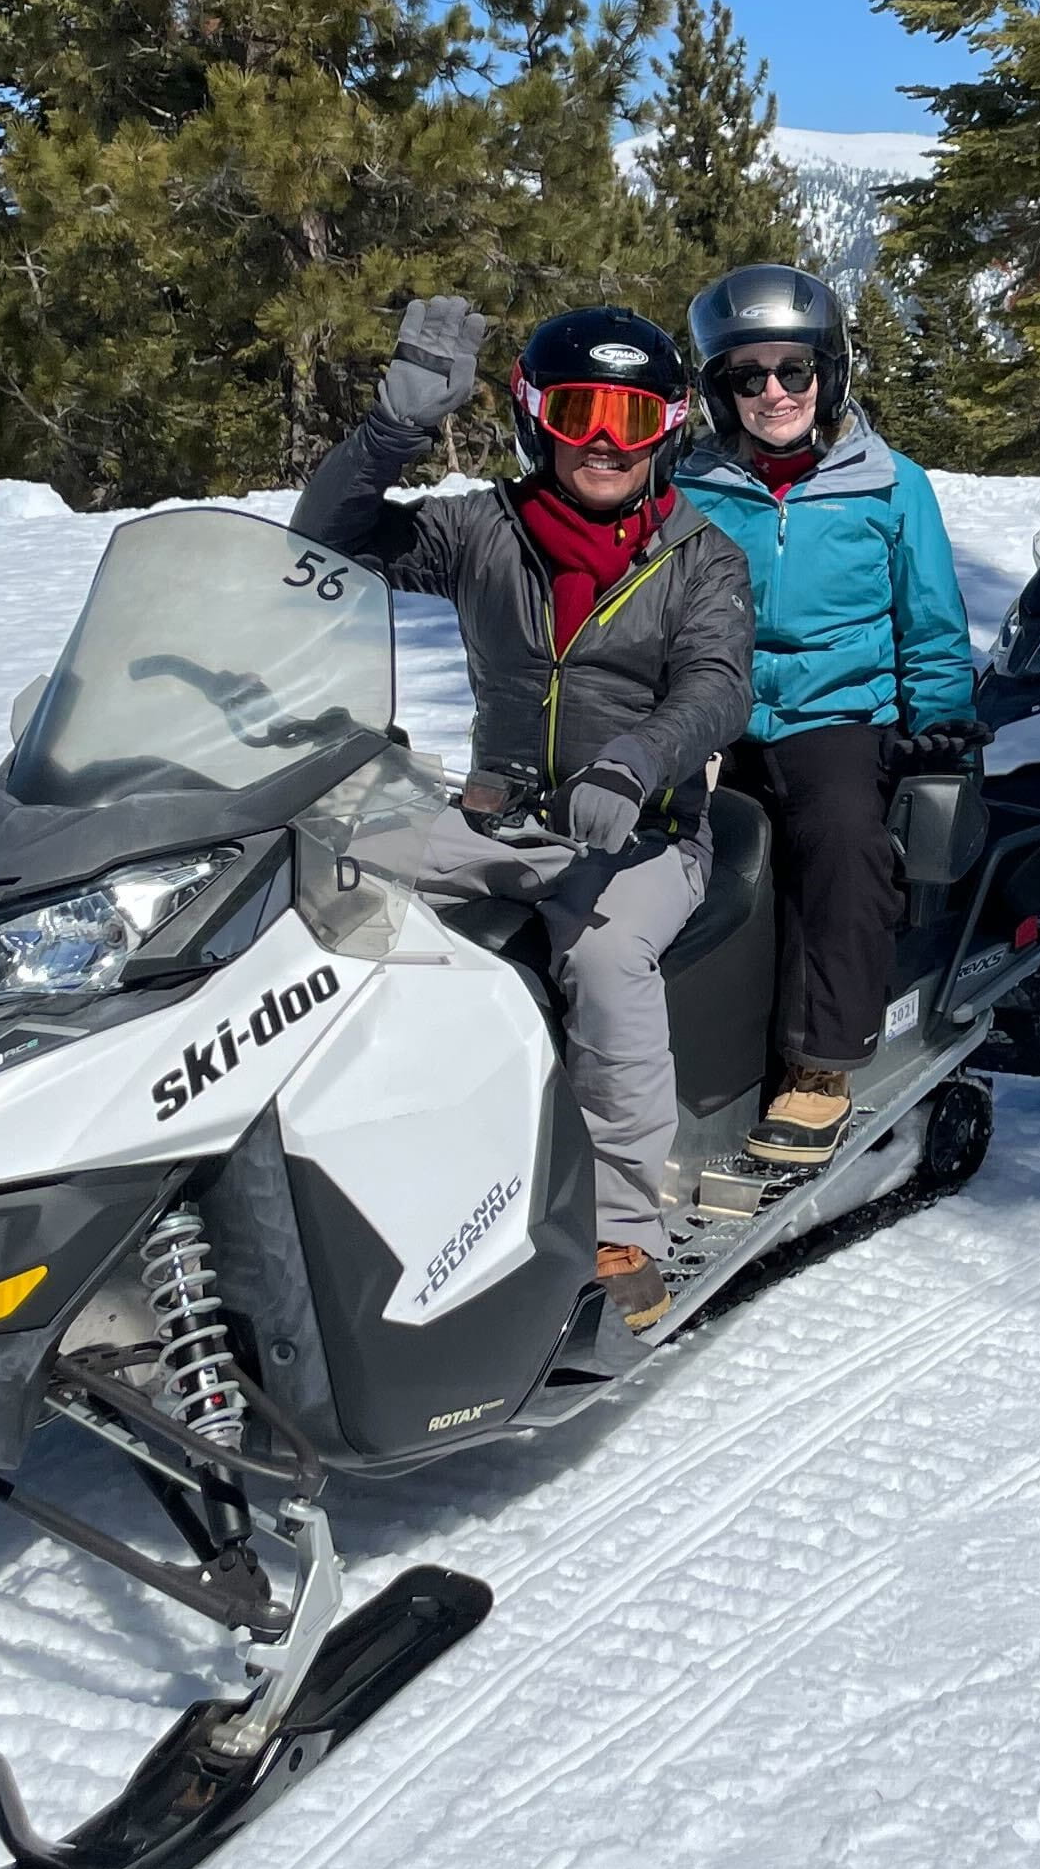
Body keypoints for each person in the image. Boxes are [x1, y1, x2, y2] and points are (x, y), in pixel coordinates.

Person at [294, 296, 755, 1334]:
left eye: (632, 421)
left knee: (602, 963)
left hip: (645, 831)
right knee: (318, 879)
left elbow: (718, 690)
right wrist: (394, 424)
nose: (602, 444)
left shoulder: (702, 557)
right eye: (581, 413)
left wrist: (636, 763)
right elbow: (326, 540)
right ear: (536, 417)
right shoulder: (479, 530)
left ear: (668, 432)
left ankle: (624, 1223)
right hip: (494, 817)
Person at [676, 263, 981, 1171]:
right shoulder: (689, 488)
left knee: (843, 838)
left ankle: (823, 1065)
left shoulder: (890, 486)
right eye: (746, 375)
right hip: (715, 710)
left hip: (837, 716)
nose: (773, 392)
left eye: (793, 371)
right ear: (718, 390)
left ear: (830, 374)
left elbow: (929, 623)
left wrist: (945, 730)